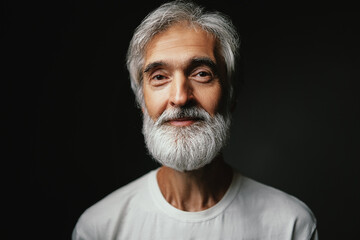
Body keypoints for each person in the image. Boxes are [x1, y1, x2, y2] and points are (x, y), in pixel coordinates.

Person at [72, 1, 318, 239]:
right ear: (142, 102)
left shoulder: (290, 226)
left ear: (231, 96)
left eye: (201, 74)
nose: (180, 98)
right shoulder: (99, 229)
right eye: (159, 77)